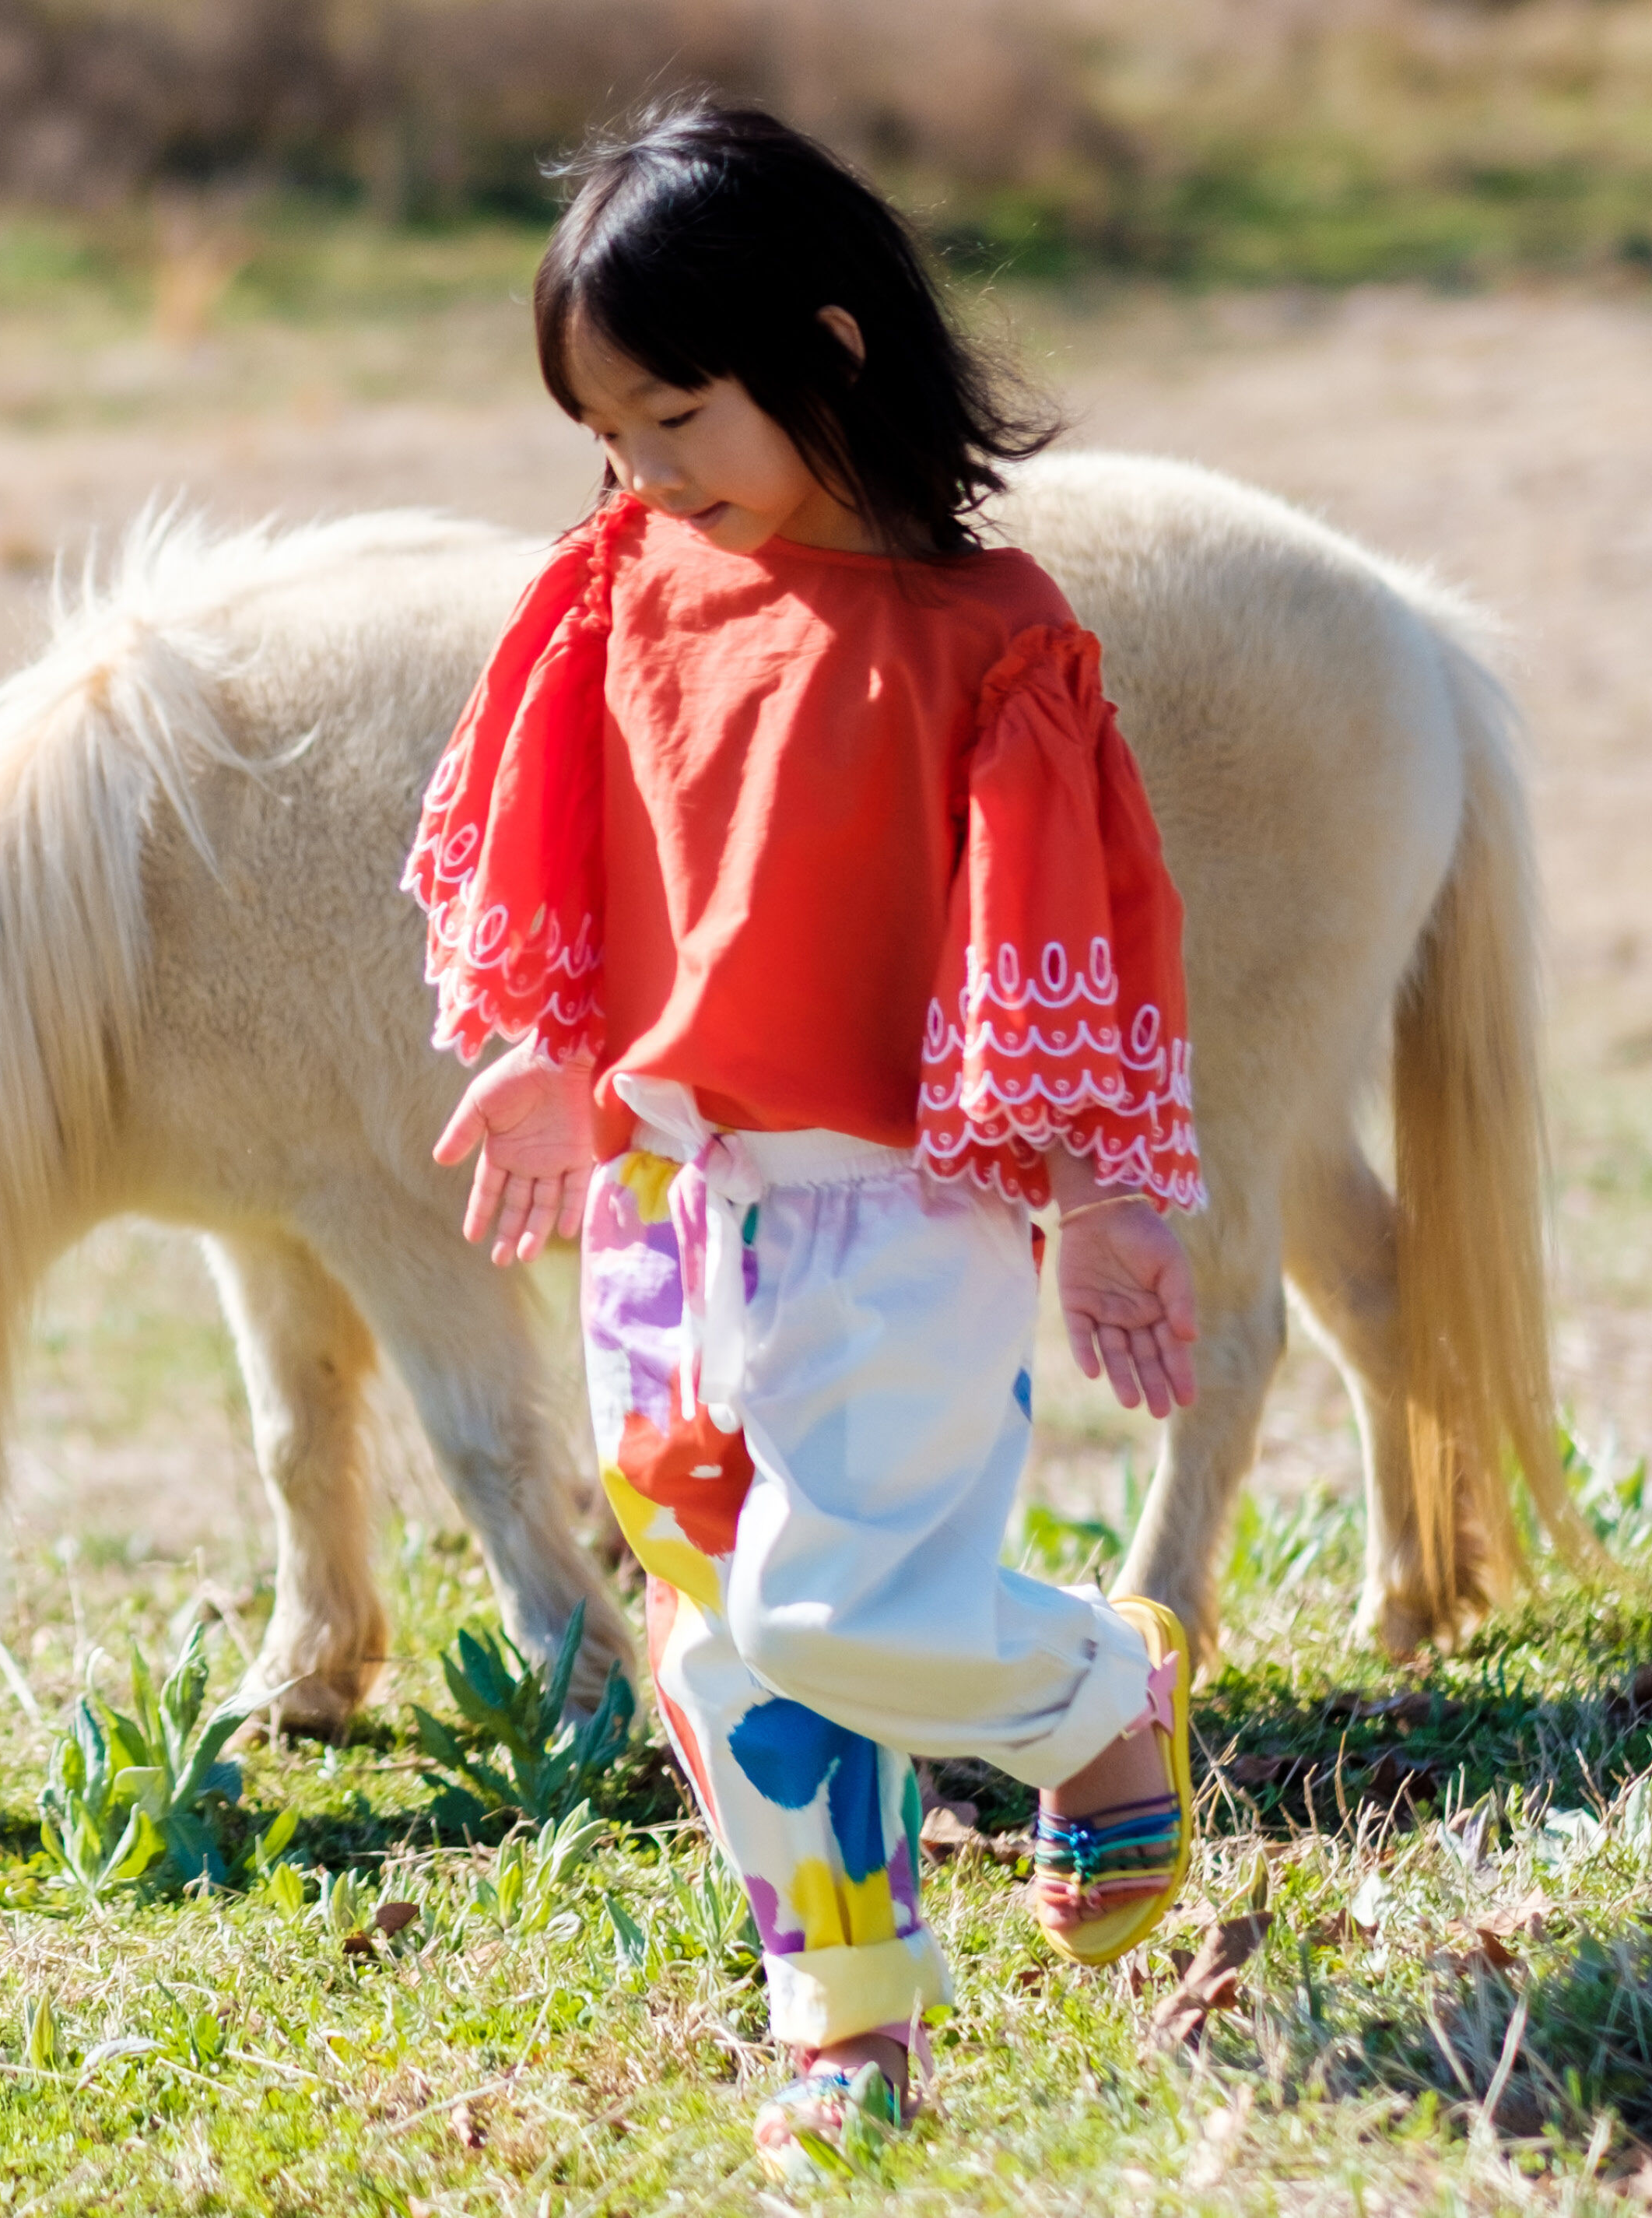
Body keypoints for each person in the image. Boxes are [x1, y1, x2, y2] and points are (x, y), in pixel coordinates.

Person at [402, 98, 1208, 2182]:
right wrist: (538, 1058)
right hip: (674, 1213)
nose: (638, 475)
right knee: (724, 1649)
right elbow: (588, 873)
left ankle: (1093, 1688)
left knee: (842, 1606)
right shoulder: (623, 596)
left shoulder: (984, 639)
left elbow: (1080, 934)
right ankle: (847, 2023)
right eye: (605, 433)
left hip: (895, 1217)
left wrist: (1108, 1199)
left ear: (829, 356)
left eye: (674, 418)